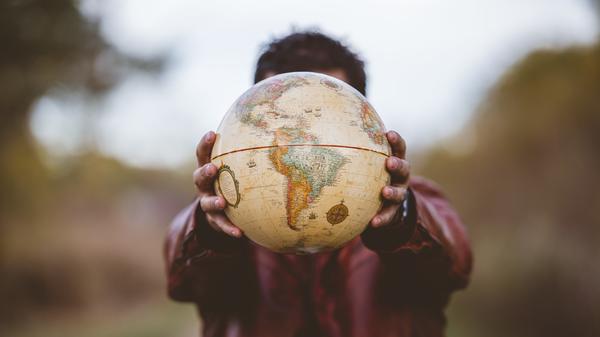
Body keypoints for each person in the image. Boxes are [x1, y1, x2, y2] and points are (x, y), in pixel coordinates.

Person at [164, 31, 472, 337]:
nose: (307, 142)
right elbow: (183, 281)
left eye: (325, 114)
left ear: (365, 118)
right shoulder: (225, 207)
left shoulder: (408, 201)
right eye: (284, 118)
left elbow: (455, 266)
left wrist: (403, 220)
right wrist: (209, 232)